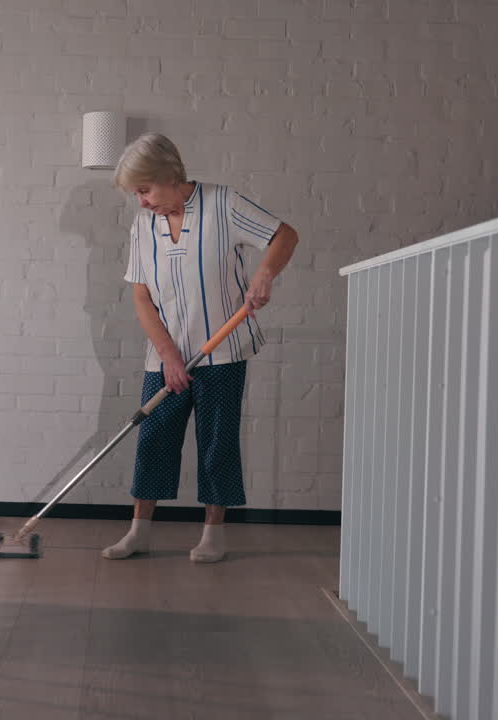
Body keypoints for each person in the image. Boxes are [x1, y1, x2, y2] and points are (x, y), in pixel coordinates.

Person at [102, 133, 299, 563]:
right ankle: (139, 532)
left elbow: (284, 236)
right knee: (153, 440)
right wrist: (168, 356)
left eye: (145, 190)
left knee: (216, 442)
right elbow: (141, 296)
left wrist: (264, 274)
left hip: (222, 351)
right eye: (136, 194)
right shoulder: (143, 225)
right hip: (166, 355)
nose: (142, 201)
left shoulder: (224, 204)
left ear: (169, 175)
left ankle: (213, 535)